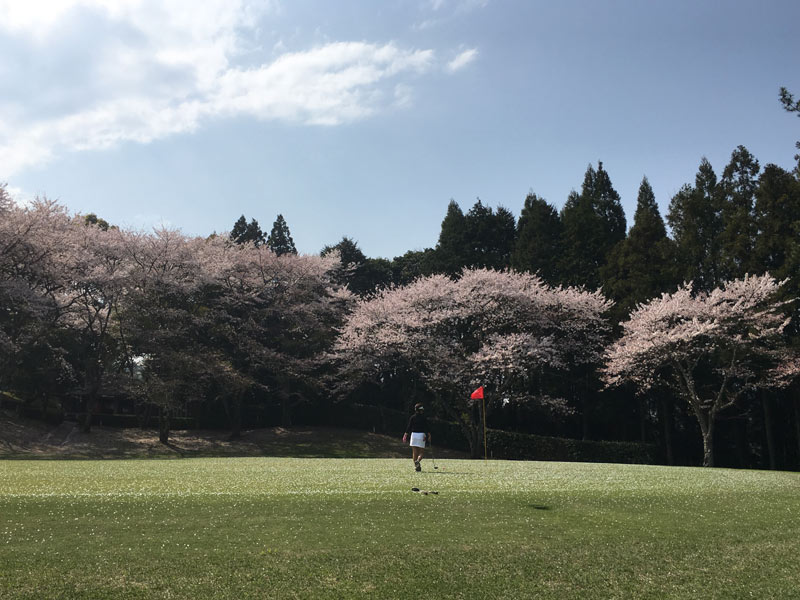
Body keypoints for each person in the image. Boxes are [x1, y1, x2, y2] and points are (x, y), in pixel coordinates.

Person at [402, 403, 431, 471]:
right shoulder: (424, 418)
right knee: (421, 452)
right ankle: (417, 461)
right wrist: (429, 435)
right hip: (421, 435)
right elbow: (427, 427)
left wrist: (405, 435)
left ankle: (416, 466)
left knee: (415, 452)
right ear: (421, 410)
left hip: (414, 435)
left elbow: (409, 427)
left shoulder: (412, 417)